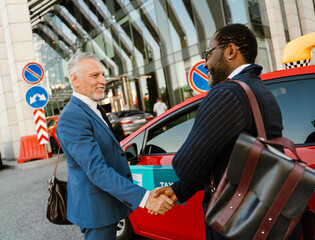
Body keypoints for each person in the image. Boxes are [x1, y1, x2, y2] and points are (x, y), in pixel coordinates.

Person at [154, 24, 301, 239]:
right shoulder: (262, 91)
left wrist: (182, 178)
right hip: (264, 213)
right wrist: (179, 190)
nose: (206, 64)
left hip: (235, 220)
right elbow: (228, 156)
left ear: (230, 51)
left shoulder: (226, 93)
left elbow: (187, 166)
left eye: (209, 53)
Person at [56, 52, 174, 240]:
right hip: (97, 212)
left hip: (107, 206)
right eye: (95, 75)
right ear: (74, 79)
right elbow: (97, 170)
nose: (103, 80)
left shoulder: (93, 109)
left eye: (103, 74)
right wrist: (145, 199)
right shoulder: (72, 117)